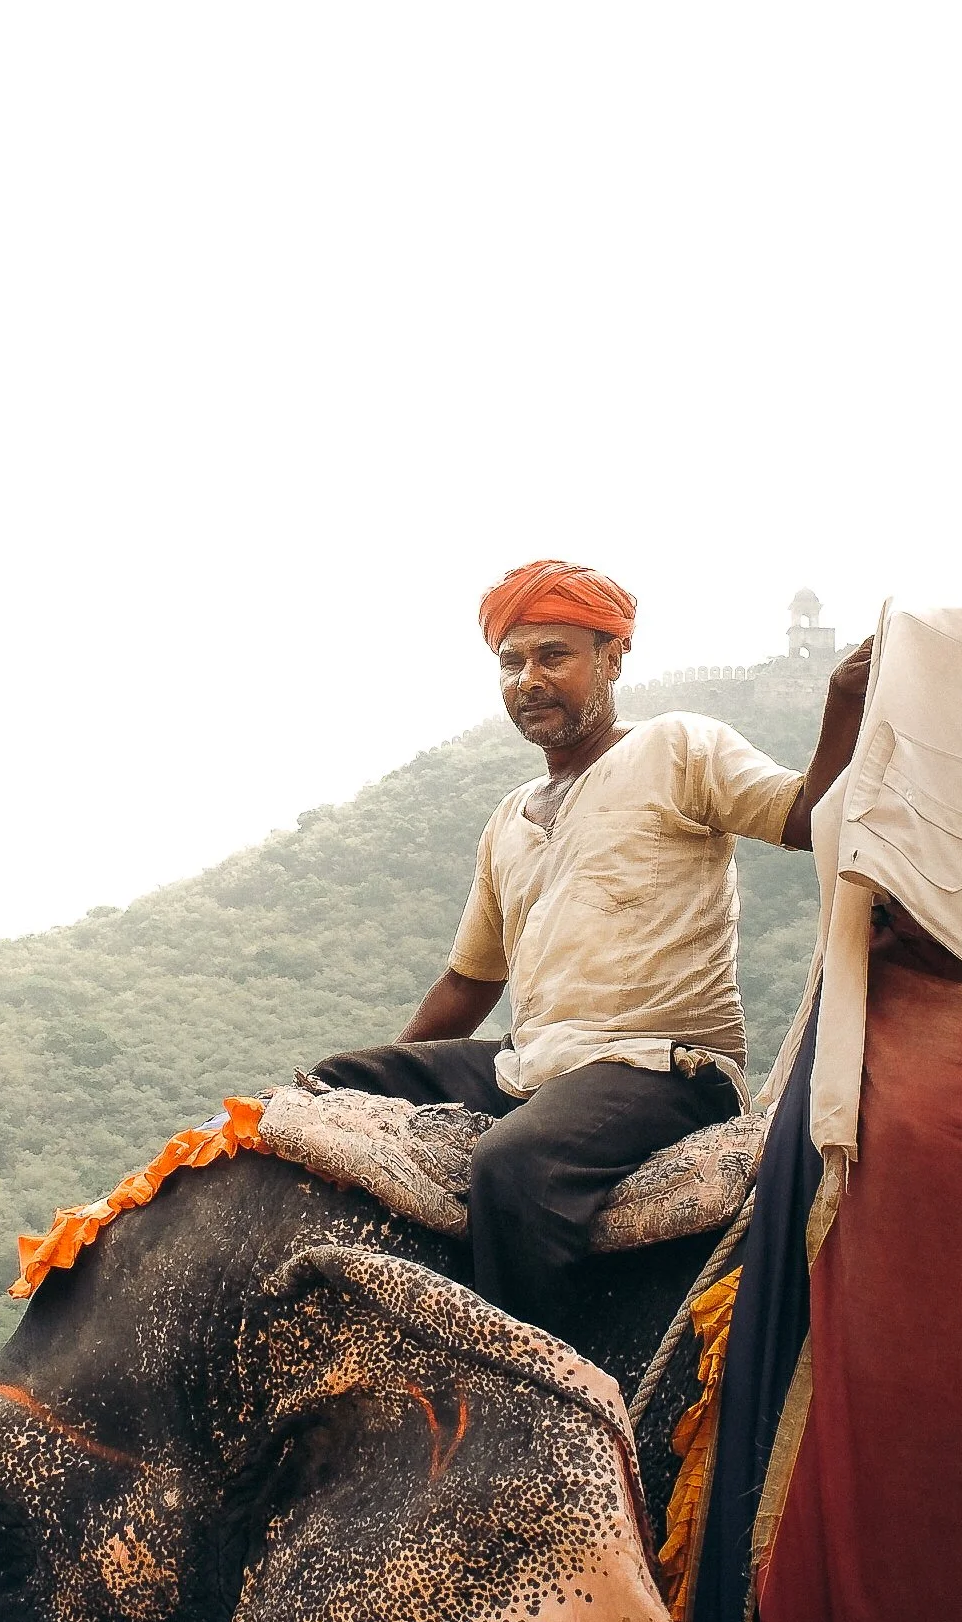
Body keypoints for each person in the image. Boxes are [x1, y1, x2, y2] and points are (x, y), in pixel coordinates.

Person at [314, 557, 872, 1329]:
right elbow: (468, 983)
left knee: (512, 1166)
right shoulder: (509, 816)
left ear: (611, 659)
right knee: (325, 1088)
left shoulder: (678, 747)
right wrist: (371, 1090)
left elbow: (806, 818)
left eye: (554, 654)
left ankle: (542, 1396)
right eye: (511, 661)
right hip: (529, 1063)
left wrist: (842, 705)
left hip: (658, 1064)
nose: (528, 679)